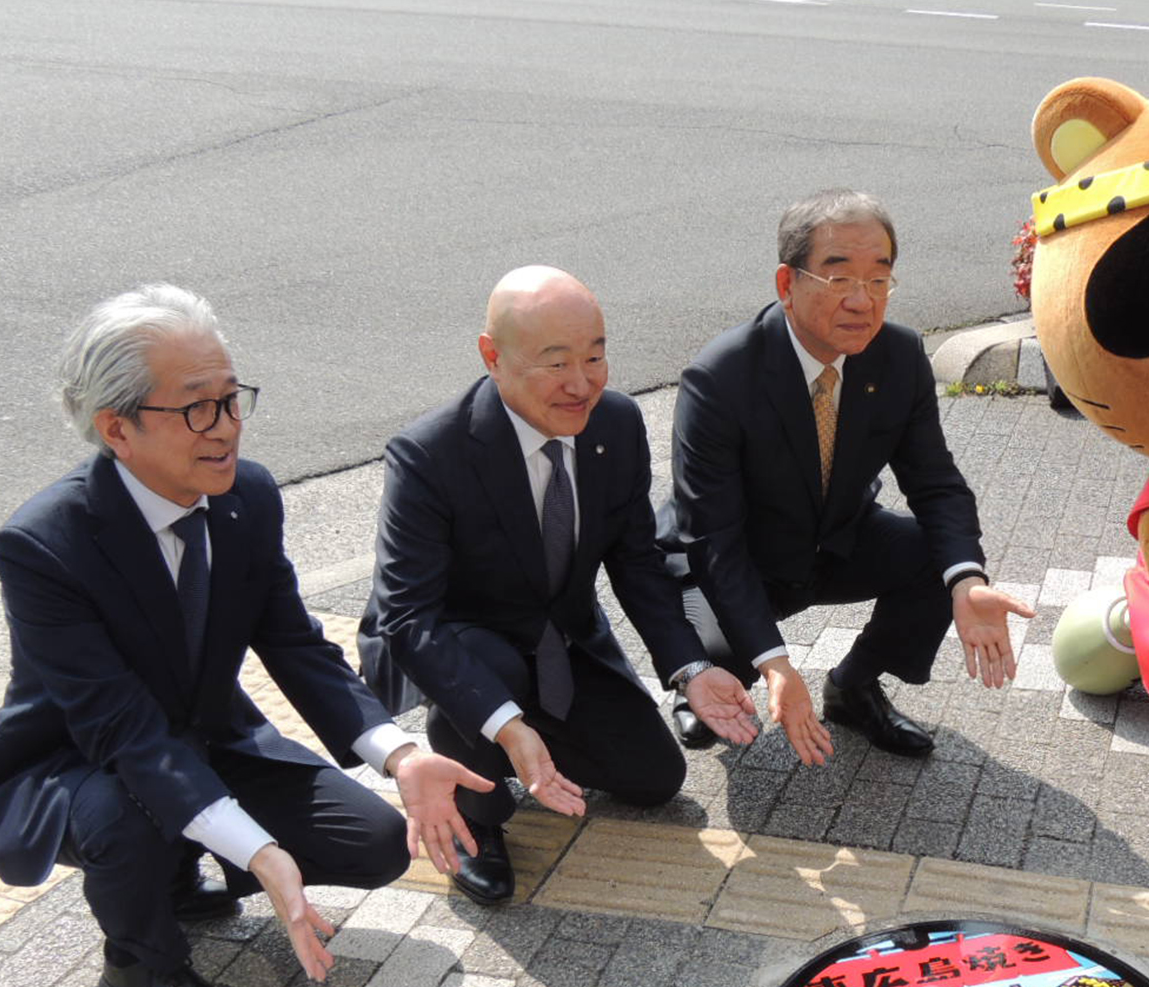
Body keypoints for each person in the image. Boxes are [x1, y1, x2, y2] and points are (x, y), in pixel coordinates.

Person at [0, 285, 493, 987]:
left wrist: (400, 754)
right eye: (196, 408)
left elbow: (295, 643)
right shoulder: (45, 544)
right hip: (78, 763)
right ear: (118, 427)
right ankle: (141, 962)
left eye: (231, 398)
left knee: (377, 842)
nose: (226, 428)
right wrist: (261, 852)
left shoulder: (248, 494)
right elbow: (122, 729)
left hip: (209, 738)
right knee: (125, 811)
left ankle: (182, 868)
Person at [358, 266, 759, 906]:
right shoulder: (430, 455)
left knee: (655, 778)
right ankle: (473, 811)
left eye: (596, 355)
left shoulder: (616, 423)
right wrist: (505, 724)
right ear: (493, 356)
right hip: (459, 645)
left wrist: (689, 667)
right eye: (556, 364)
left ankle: (527, 731)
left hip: (559, 640)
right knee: (486, 668)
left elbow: (635, 558)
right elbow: (408, 620)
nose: (583, 383)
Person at [658, 189, 1034, 762]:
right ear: (787, 285)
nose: (863, 301)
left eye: (879, 280)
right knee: (717, 660)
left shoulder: (899, 355)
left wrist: (967, 581)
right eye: (840, 280)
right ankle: (701, 683)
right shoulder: (720, 378)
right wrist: (775, 662)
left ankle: (853, 687)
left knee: (943, 556)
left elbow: (936, 481)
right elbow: (714, 540)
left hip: (835, 539)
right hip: (739, 559)